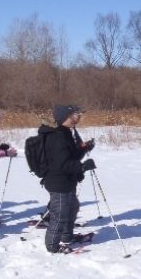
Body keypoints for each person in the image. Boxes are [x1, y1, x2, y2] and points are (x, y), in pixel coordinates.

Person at [42, 104, 95, 254]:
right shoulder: (58, 136)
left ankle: (67, 236)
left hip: (67, 181)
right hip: (58, 182)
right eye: (76, 114)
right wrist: (83, 167)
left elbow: (71, 156)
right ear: (66, 117)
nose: (79, 116)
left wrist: (84, 149)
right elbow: (63, 164)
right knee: (59, 214)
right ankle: (52, 246)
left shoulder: (67, 133)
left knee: (72, 208)